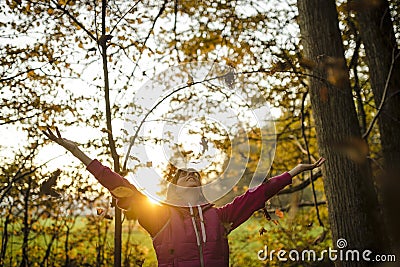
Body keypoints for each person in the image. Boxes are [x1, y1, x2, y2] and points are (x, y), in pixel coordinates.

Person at [43, 127, 325, 267]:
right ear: (175, 187)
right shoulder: (160, 218)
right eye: (185, 174)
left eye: (196, 175)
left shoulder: (220, 216)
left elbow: (258, 194)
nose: (192, 175)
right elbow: (117, 184)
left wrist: (294, 171)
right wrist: (76, 151)